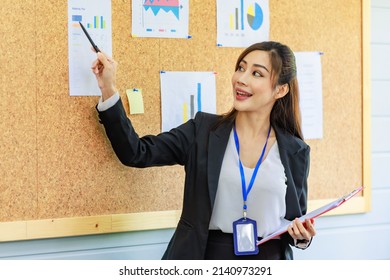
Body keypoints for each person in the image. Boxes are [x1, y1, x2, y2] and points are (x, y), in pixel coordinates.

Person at [92, 41, 316, 260]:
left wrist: (302, 238)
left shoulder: (296, 151)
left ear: (281, 89)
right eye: (241, 68)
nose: (241, 79)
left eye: (257, 74)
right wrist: (108, 88)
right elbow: (137, 152)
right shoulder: (203, 131)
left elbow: (296, 222)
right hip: (205, 256)